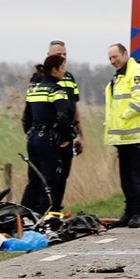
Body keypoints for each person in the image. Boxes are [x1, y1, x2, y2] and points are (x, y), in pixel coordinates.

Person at [105, 42, 140, 228]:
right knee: (126, 178)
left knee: (138, 178)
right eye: (110, 58)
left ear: (125, 54)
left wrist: (123, 117)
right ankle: (129, 213)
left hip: (138, 136)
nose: (113, 61)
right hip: (123, 138)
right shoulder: (119, 77)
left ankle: (138, 214)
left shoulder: (137, 72)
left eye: (115, 57)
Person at [21, 53, 75, 218]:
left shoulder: (34, 90)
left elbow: (26, 118)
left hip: (33, 138)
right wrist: (66, 137)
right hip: (48, 140)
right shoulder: (57, 91)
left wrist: (30, 133)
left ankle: (23, 218)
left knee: (34, 181)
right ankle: (45, 219)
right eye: (62, 67)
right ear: (54, 69)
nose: (64, 71)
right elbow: (62, 116)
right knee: (50, 180)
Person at [46, 40, 83, 191]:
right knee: (49, 177)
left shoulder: (69, 78)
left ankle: (57, 205)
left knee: (63, 176)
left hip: (67, 135)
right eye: (58, 54)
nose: (62, 57)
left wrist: (80, 135)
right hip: (49, 137)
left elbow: (75, 108)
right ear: (48, 55)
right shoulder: (39, 78)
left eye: (64, 54)